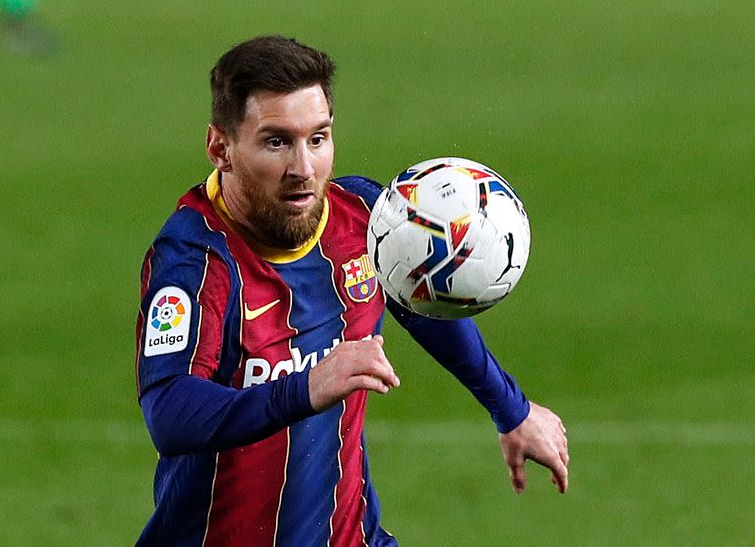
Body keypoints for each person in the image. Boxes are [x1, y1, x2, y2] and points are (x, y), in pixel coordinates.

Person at [135, 35, 569, 546]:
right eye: (277, 142)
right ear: (220, 148)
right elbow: (169, 411)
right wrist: (308, 387)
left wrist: (510, 407)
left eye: (317, 139)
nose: (303, 169)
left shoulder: (364, 218)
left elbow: (420, 303)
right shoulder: (196, 260)